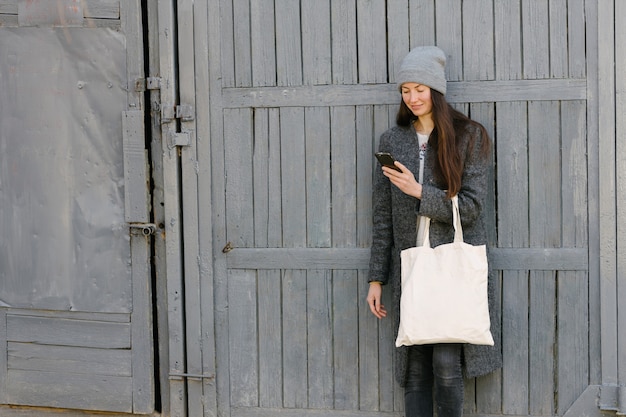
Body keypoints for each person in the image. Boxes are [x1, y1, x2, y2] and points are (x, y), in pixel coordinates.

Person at [366, 46, 502, 417]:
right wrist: (377, 278)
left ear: (436, 91)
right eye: (405, 90)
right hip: (410, 268)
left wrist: (418, 191)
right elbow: (382, 217)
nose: (412, 98)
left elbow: (471, 209)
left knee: (445, 365)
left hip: (449, 268)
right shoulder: (392, 141)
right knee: (414, 370)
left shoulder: (469, 136)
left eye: (420, 89)